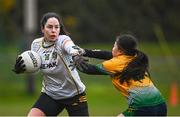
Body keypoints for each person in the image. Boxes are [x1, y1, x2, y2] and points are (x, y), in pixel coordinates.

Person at [13, 12, 89, 116]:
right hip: (51, 95)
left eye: (56, 27)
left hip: (74, 95)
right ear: (42, 29)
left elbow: (71, 46)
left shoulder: (63, 40)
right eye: (49, 27)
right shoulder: (36, 44)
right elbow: (36, 68)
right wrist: (22, 69)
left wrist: (76, 55)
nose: (53, 30)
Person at [73, 34, 167, 116]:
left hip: (142, 106)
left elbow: (88, 69)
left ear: (120, 51)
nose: (112, 48)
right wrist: (85, 51)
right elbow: (107, 54)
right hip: (161, 104)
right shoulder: (134, 57)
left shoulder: (115, 64)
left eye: (114, 46)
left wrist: (75, 59)